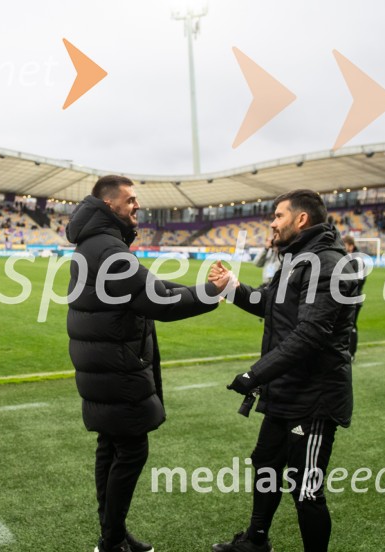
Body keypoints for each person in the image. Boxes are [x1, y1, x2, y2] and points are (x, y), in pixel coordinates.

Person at [66, 175, 221, 552]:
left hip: (102, 364)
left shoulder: (97, 244)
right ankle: (111, 541)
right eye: (130, 199)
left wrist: (198, 288)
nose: (137, 205)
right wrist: (211, 294)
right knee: (131, 450)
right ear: (108, 205)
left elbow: (151, 286)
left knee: (112, 446)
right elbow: (159, 301)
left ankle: (112, 537)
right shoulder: (109, 250)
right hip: (115, 367)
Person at [209, 189, 357, 552]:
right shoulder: (297, 259)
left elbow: (310, 333)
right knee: (266, 463)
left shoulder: (327, 263)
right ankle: (256, 541)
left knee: (306, 491)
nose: (272, 223)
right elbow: (273, 308)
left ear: (300, 219)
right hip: (287, 389)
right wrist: (233, 287)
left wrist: (255, 374)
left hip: (315, 397)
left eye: (277, 216)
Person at [341, 235, 367, 361]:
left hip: (354, 298)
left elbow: (359, 280)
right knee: (345, 325)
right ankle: (345, 351)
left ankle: (351, 353)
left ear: (350, 246)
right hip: (346, 298)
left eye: (345, 245)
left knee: (351, 325)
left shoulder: (358, 260)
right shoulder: (347, 258)